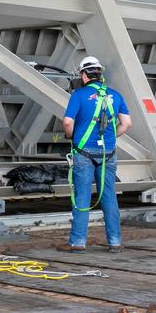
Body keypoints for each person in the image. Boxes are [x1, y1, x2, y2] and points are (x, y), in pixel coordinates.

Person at [63, 55, 131, 253]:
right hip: (107, 153)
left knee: (82, 197)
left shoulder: (78, 95)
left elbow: (68, 123)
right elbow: (126, 124)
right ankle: (115, 241)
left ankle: (78, 243)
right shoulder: (115, 95)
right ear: (99, 75)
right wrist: (111, 138)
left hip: (83, 152)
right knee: (109, 197)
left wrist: (71, 136)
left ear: (84, 75)